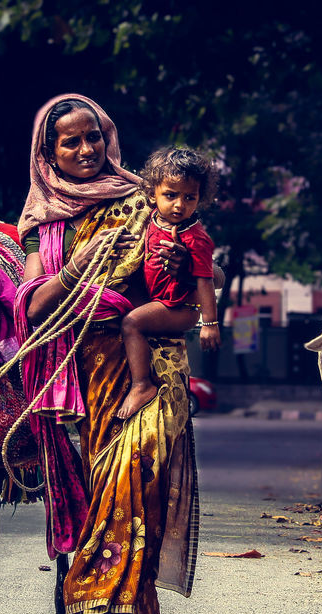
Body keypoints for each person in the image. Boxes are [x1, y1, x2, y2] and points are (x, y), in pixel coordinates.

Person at [14, 94, 200, 614]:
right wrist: (74, 272)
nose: (87, 150)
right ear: (48, 152)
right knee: (119, 502)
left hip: (150, 369)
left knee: (129, 482)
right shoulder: (40, 224)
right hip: (77, 381)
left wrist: (170, 266)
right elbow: (31, 309)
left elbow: (185, 296)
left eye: (94, 136)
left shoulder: (144, 203)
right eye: (71, 141)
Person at [116, 147, 221, 419]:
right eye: (171, 195)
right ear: (153, 194)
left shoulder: (195, 237)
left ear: (200, 199)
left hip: (180, 307)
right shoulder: (150, 219)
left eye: (189, 197)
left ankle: (142, 386)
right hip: (156, 298)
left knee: (132, 323)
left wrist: (210, 324)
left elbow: (205, 279)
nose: (179, 205)